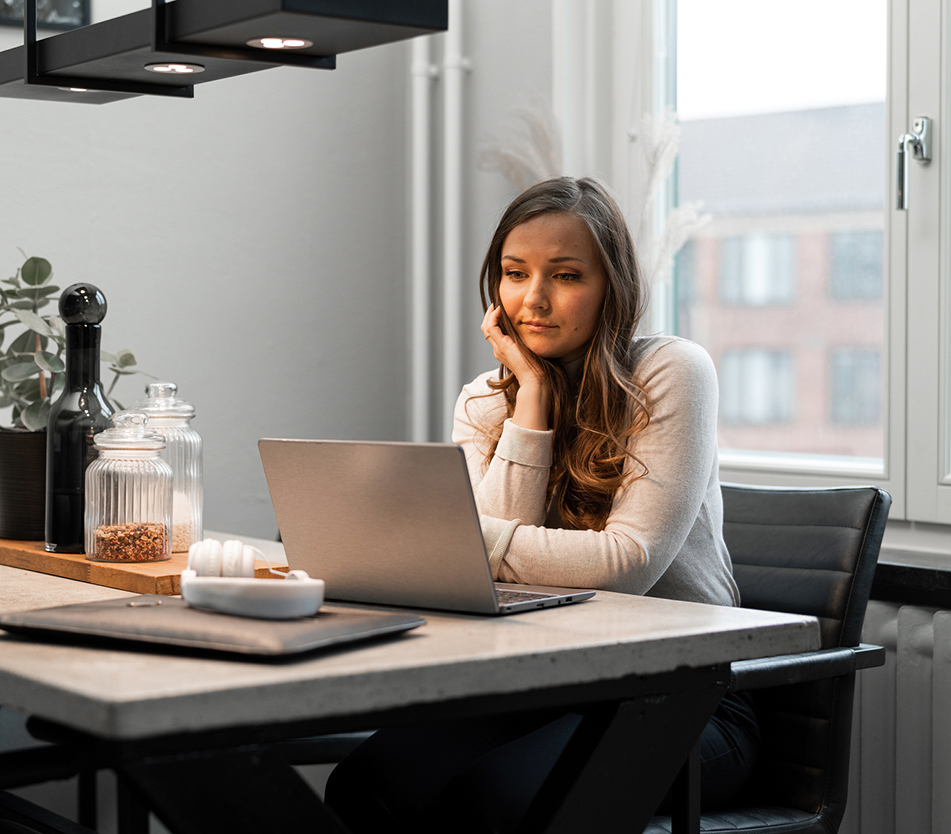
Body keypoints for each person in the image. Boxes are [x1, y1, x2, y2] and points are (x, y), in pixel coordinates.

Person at [324, 177, 758, 834]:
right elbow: (490, 578)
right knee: (367, 786)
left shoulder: (672, 370)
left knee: (490, 802)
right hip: (544, 685)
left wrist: (470, 539)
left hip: (685, 697)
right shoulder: (485, 399)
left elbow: (627, 565)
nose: (534, 299)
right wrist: (529, 398)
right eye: (514, 273)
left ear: (612, 284)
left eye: (566, 275)